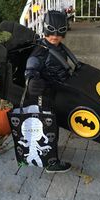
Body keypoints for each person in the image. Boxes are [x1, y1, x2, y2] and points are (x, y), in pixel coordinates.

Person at [24, 10, 72, 173]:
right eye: (51, 31)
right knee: (48, 128)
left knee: (53, 126)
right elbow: (32, 64)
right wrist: (31, 79)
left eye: (59, 32)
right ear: (44, 29)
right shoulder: (41, 50)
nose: (55, 36)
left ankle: (51, 152)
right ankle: (51, 163)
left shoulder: (59, 47)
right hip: (44, 96)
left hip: (55, 93)